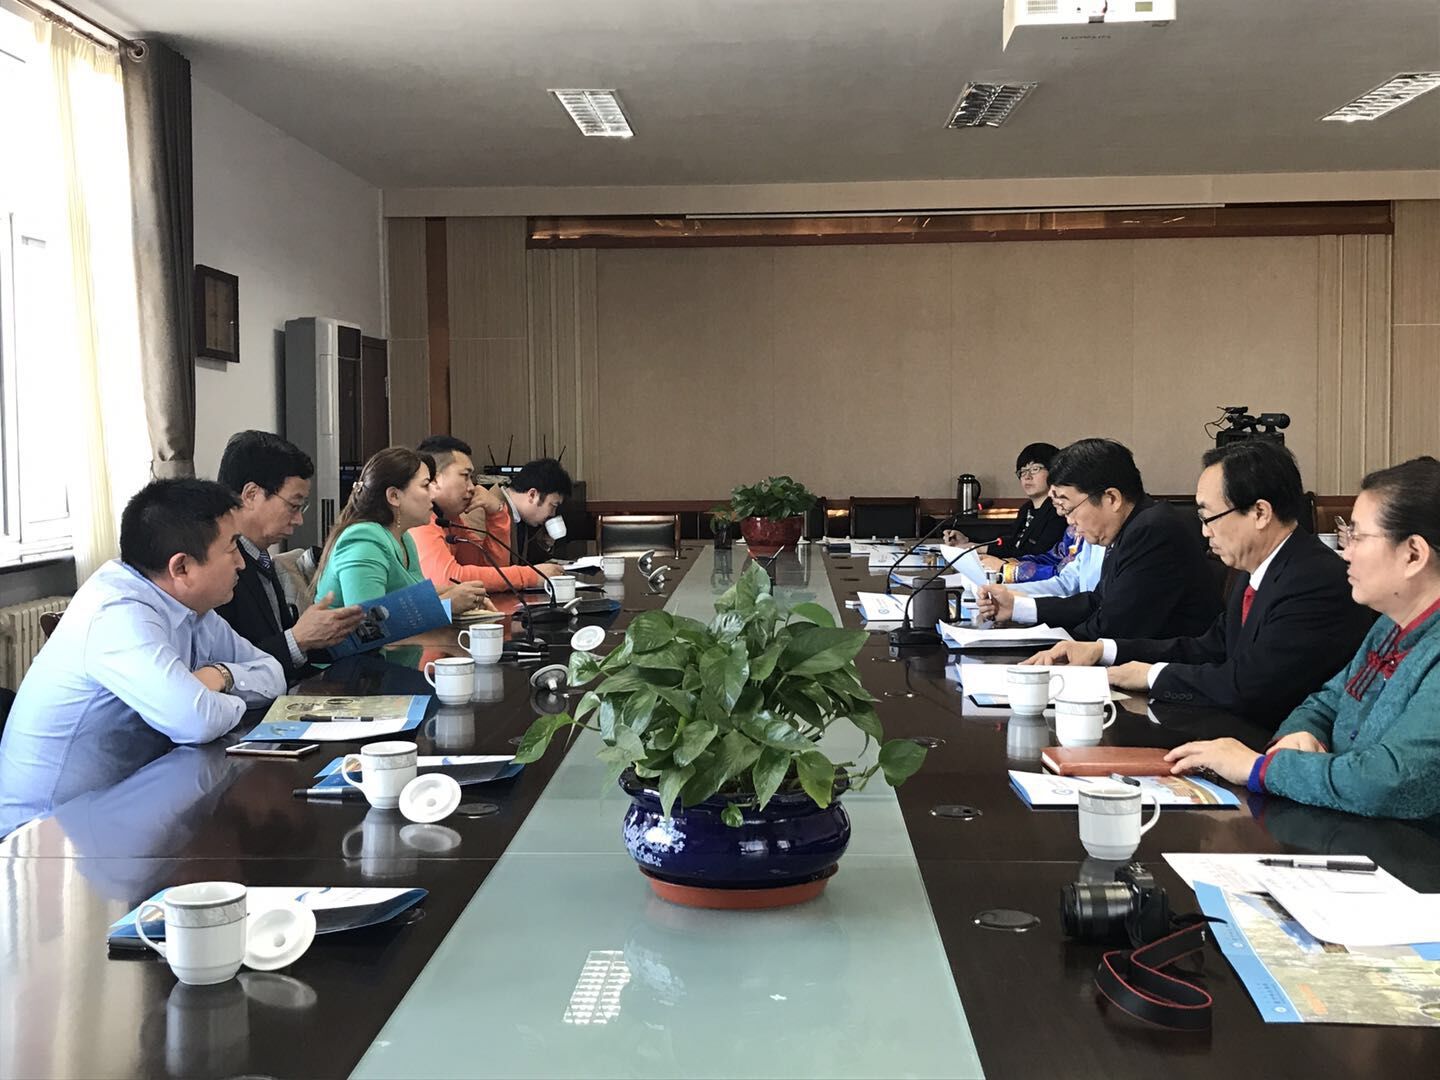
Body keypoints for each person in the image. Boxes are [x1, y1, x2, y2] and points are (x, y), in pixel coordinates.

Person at [0, 479, 287, 837]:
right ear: (181, 568)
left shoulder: (191, 609)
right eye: (231, 549)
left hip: (115, 812)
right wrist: (217, 697)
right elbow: (195, 721)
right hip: (42, 838)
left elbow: (273, 674)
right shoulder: (118, 613)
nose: (242, 563)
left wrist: (220, 676)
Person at [1166, 456, 1440, 819]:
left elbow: (1390, 782)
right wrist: (1300, 734)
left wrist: (1260, 768)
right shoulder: (1390, 625)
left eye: (1357, 537)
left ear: (1413, 554)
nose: (1345, 552)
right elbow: (1326, 701)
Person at [1026, 440, 1374, 722]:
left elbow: (1249, 685)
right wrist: (1105, 651)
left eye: (1210, 517)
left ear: (1260, 513)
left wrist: (1152, 676)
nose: (1205, 532)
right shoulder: (1259, 568)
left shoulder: (1312, 579)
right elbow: (1209, 647)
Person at [976, 438, 1219, 641]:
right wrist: (1017, 608)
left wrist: (1053, 643)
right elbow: (1097, 601)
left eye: (1069, 509)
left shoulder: (1152, 531)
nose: (1069, 522)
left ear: (1111, 498)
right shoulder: (1131, 527)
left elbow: (1112, 627)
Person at [214, 430, 366, 681]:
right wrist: (298, 639)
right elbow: (227, 667)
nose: (299, 519)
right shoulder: (215, 565)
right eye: (293, 506)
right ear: (251, 495)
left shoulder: (260, 556)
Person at [310, 447, 490, 612]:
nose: (433, 494)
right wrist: (448, 604)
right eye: (425, 485)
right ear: (394, 496)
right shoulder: (363, 541)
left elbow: (412, 597)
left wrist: (464, 594)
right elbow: (368, 623)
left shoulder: (404, 538)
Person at [410, 435, 564, 593]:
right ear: (434, 480)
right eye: (465, 476)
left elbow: (490, 567)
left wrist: (496, 514)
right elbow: (448, 579)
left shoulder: (449, 518)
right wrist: (530, 576)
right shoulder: (418, 521)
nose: (472, 487)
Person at [945, 443, 1067, 571]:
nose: (1027, 476)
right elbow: (1010, 543)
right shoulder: (1026, 509)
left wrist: (978, 548)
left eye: (1035, 469)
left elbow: (1038, 553)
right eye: (1022, 471)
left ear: (1054, 471)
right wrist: (967, 540)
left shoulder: (1058, 510)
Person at [467, 456, 573, 580]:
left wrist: (544, 544)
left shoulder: (522, 515)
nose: (552, 514)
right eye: (553, 505)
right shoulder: (482, 510)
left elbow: (523, 562)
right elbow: (481, 571)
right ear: (532, 495)